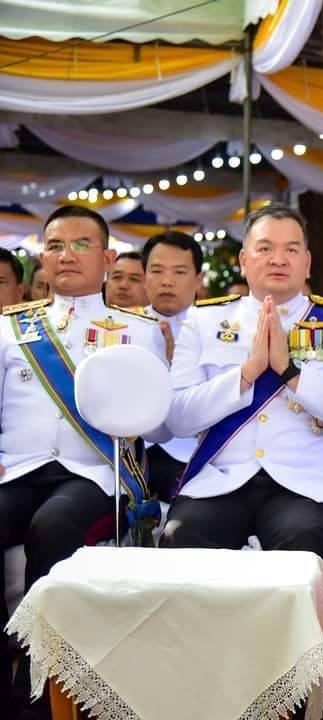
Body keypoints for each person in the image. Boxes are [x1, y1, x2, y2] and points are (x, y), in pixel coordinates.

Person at [0, 206, 168, 718]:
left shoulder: (139, 330)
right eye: (55, 246)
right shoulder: (11, 328)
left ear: (108, 259)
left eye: (80, 245)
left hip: (95, 473)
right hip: (18, 468)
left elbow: (157, 423)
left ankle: (39, 690)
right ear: (42, 258)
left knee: (53, 526)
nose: (66, 255)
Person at [159, 203, 323, 580]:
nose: (278, 259)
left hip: (305, 485)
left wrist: (290, 373)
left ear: (307, 263)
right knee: (181, 537)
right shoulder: (205, 319)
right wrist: (246, 374)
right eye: (265, 248)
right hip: (221, 480)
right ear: (244, 260)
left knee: (302, 547)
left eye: (291, 249)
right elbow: (177, 418)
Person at [141, 231, 205, 502]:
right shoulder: (124, 327)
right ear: (144, 275)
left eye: (179, 272)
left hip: (190, 451)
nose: (167, 281)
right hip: (132, 449)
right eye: (157, 271)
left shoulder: (215, 329)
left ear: (199, 279)